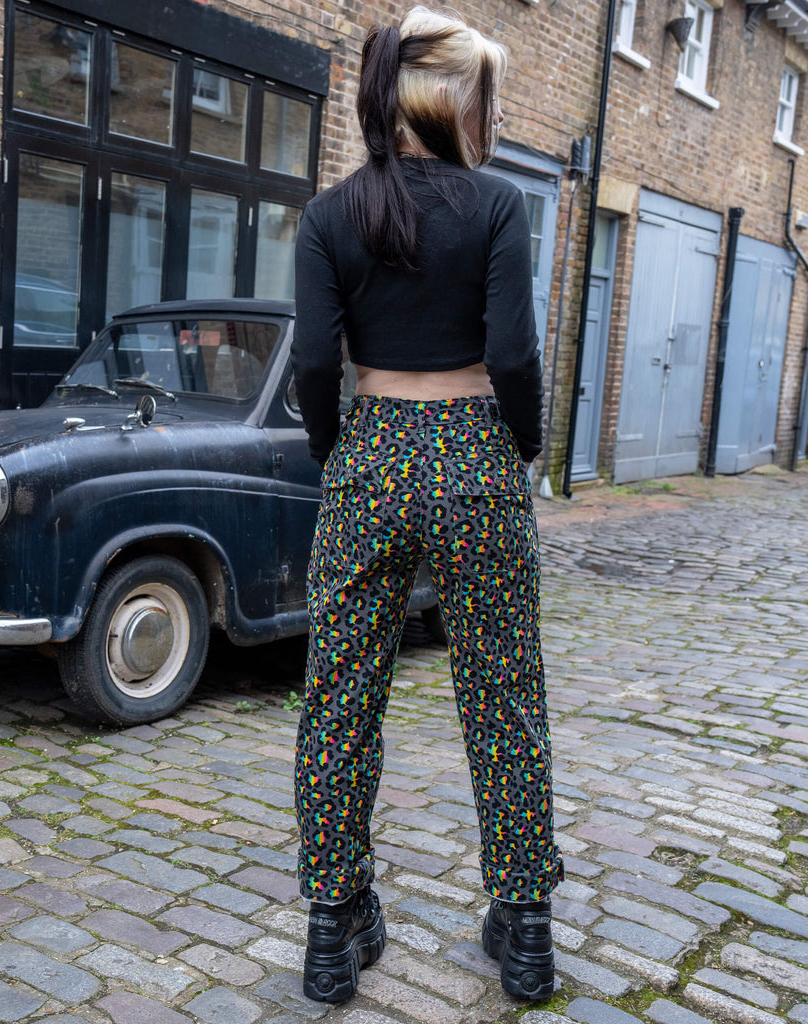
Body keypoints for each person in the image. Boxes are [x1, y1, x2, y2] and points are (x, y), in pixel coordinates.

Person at [291, 4, 563, 1005]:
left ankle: (334, 927)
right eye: (485, 94)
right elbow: (516, 355)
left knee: (339, 697)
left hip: (370, 451)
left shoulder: (329, 215)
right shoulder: (496, 206)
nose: (491, 114)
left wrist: (338, 452)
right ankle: (524, 930)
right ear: (450, 98)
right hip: (474, 451)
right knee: (503, 693)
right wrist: (518, 445)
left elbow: (314, 361)